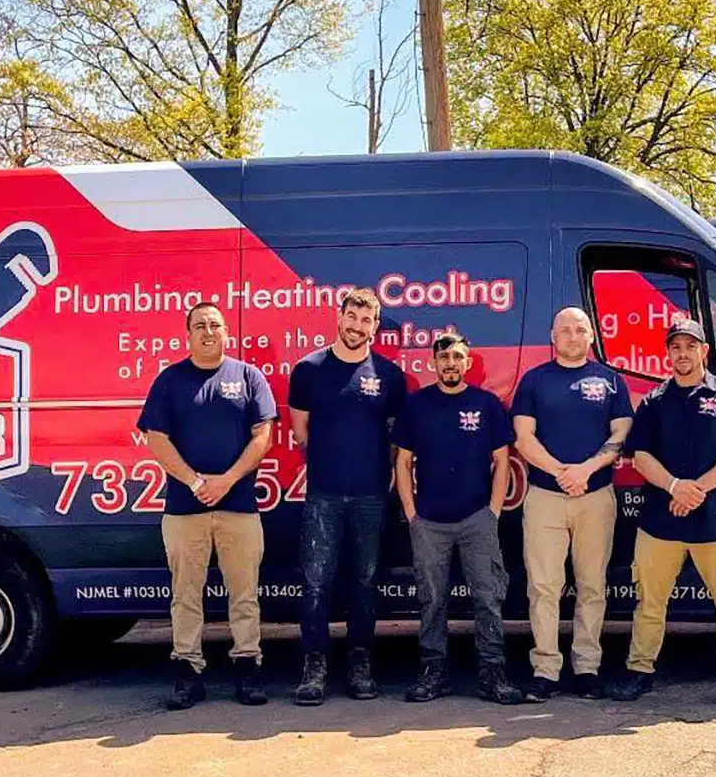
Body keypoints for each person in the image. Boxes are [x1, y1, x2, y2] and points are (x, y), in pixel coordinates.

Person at [610, 318, 716, 712]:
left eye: (689, 346)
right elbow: (641, 456)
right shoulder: (653, 402)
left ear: (704, 351)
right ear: (668, 354)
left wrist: (696, 489)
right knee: (649, 602)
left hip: (715, 519)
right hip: (661, 522)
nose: (682, 354)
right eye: (675, 347)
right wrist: (674, 487)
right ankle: (639, 672)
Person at [138, 302, 277, 710]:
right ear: (188, 335)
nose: (208, 331)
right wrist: (197, 482)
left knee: (245, 593)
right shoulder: (170, 380)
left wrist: (227, 480)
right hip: (185, 508)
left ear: (226, 332)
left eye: (214, 324)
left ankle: (248, 666)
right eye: (199, 326)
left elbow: (262, 435)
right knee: (185, 595)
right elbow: (156, 439)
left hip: (239, 506)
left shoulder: (249, 376)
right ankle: (188, 670)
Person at [288, 289, 408, 705]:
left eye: (367, 320)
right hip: (323, 494)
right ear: (339, 318)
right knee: (316, 582)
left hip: (371, 495)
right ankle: (314, 665)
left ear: (376, 326)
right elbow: (300, 432)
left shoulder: (390, 376)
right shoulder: (309, 369)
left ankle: (360, 662)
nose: (358, 327)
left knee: (364, 581)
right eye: (352, 317)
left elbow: (397, 436)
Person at [393, 332, 523, 705]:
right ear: (433, 363)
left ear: (468, 362)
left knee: (487, 597)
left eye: (458, 357)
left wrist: (493, 511)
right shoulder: (417, 405)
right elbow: (402, 461)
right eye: (444, 357)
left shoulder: (486, 404)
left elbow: (502, 459)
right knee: (432, 600)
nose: (451, 364)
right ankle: (434, 671)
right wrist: (411, 512)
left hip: (476, 519)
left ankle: (492, 672)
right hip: (429, 521)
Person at [511, 307, 632, 702]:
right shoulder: (534, 381)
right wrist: (563, 471)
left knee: (592, 585)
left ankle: (586, 667)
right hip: (545, 496)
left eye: (580, 329)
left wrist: (586, 470)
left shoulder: (611, 381)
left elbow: (621, 433)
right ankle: (545, 669)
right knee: (544, 587)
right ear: (552, 336)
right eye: (565, 330)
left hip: (596, 497)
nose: (573, 336)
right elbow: (523, 439)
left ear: (592, 336)